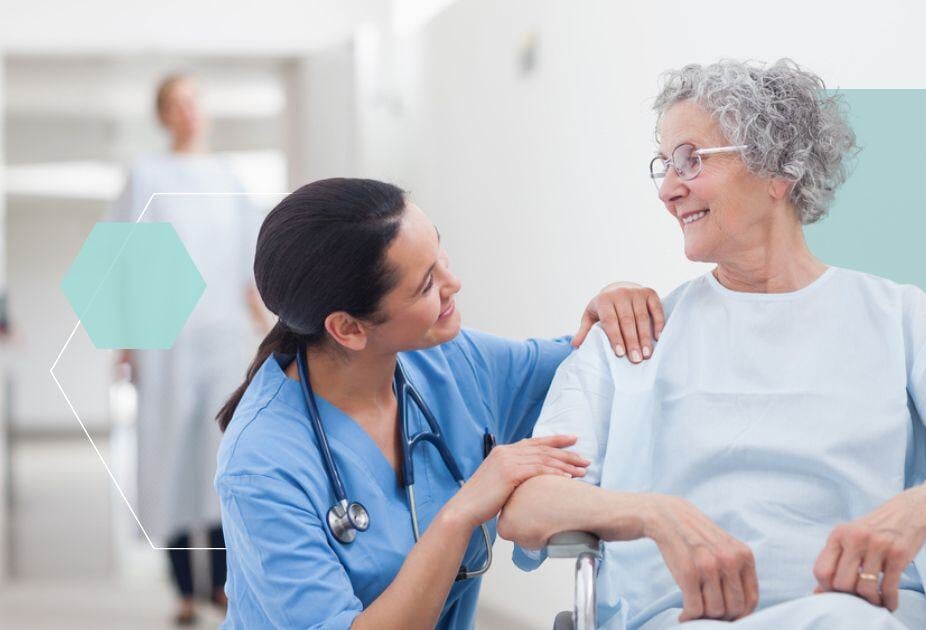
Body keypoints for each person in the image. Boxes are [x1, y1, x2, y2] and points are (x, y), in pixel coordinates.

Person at [498, 59, 926, 629]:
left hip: (859, 616)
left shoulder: (903, 320)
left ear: (778, 170)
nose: (669, 190)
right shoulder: (633, 334)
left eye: (691, 160)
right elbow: (528, 505)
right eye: (664, 166)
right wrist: (651, 514)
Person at [213, 177, 664, 629]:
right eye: (427, 284)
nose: (455, 283)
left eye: (440, 257)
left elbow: (590, 371)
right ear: (348, 328)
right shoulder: (260, 464)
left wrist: (618, 304)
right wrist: (461, 513)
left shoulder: (449, 363)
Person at [111, 73, 267, 625]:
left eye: (193, 100)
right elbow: (124, 258)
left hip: (224, 338)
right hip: (166, 340)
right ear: (163, 115)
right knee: (173, 459)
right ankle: (181, 586)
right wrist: (125, 341)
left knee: (221, 456)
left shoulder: (229, 177)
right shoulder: (146, 174)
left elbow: (251, 263)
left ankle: (222, 584)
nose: (187, 111)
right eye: (175, 103)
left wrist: (267, 332)